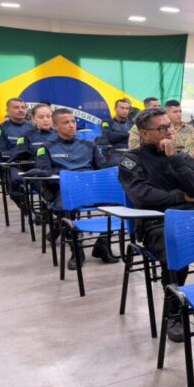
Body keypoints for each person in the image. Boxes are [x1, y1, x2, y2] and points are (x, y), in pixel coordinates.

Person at [118, 108, 194, 342]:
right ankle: (174, 312)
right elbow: (142, 195)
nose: (169, 131)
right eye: (162, 128)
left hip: (193, 218)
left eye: (170, 126)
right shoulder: (131, 160)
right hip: (156, 222)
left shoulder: (180, 156)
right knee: (179, 247)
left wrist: (173, 158)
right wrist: (180, 197)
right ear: (144, 134)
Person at [34, 108, 114, 269]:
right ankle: (76, 250)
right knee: (64, 208)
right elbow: (45, 172)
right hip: (65, 188)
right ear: (55, 126)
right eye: (66, 122)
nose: (71, 125)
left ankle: (102, 245)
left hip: (90, 187)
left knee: (121, 202)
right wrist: (71, 182)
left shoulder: (89, 145)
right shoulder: (46, 147)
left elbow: (103, 168)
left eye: (73, 121)